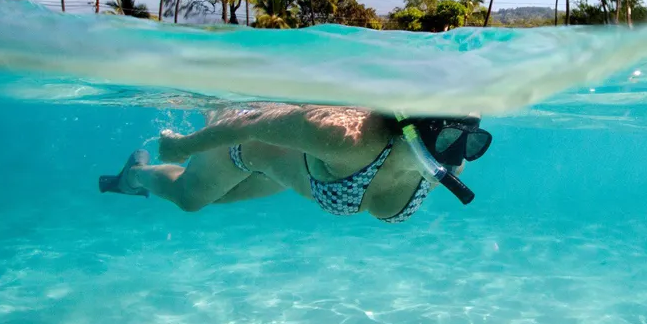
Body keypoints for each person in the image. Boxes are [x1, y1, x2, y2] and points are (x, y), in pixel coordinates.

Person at [98, 104, 491, 222]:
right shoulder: (348, 137)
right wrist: (182, 146)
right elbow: (252, 123)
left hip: (290, 171)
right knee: (190, 199)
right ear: (412, 129)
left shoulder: (450, 164)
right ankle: (135, 174)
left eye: (473, 142)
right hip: (246, 146)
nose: (458, 155)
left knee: (218, 198)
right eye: (448, 138)